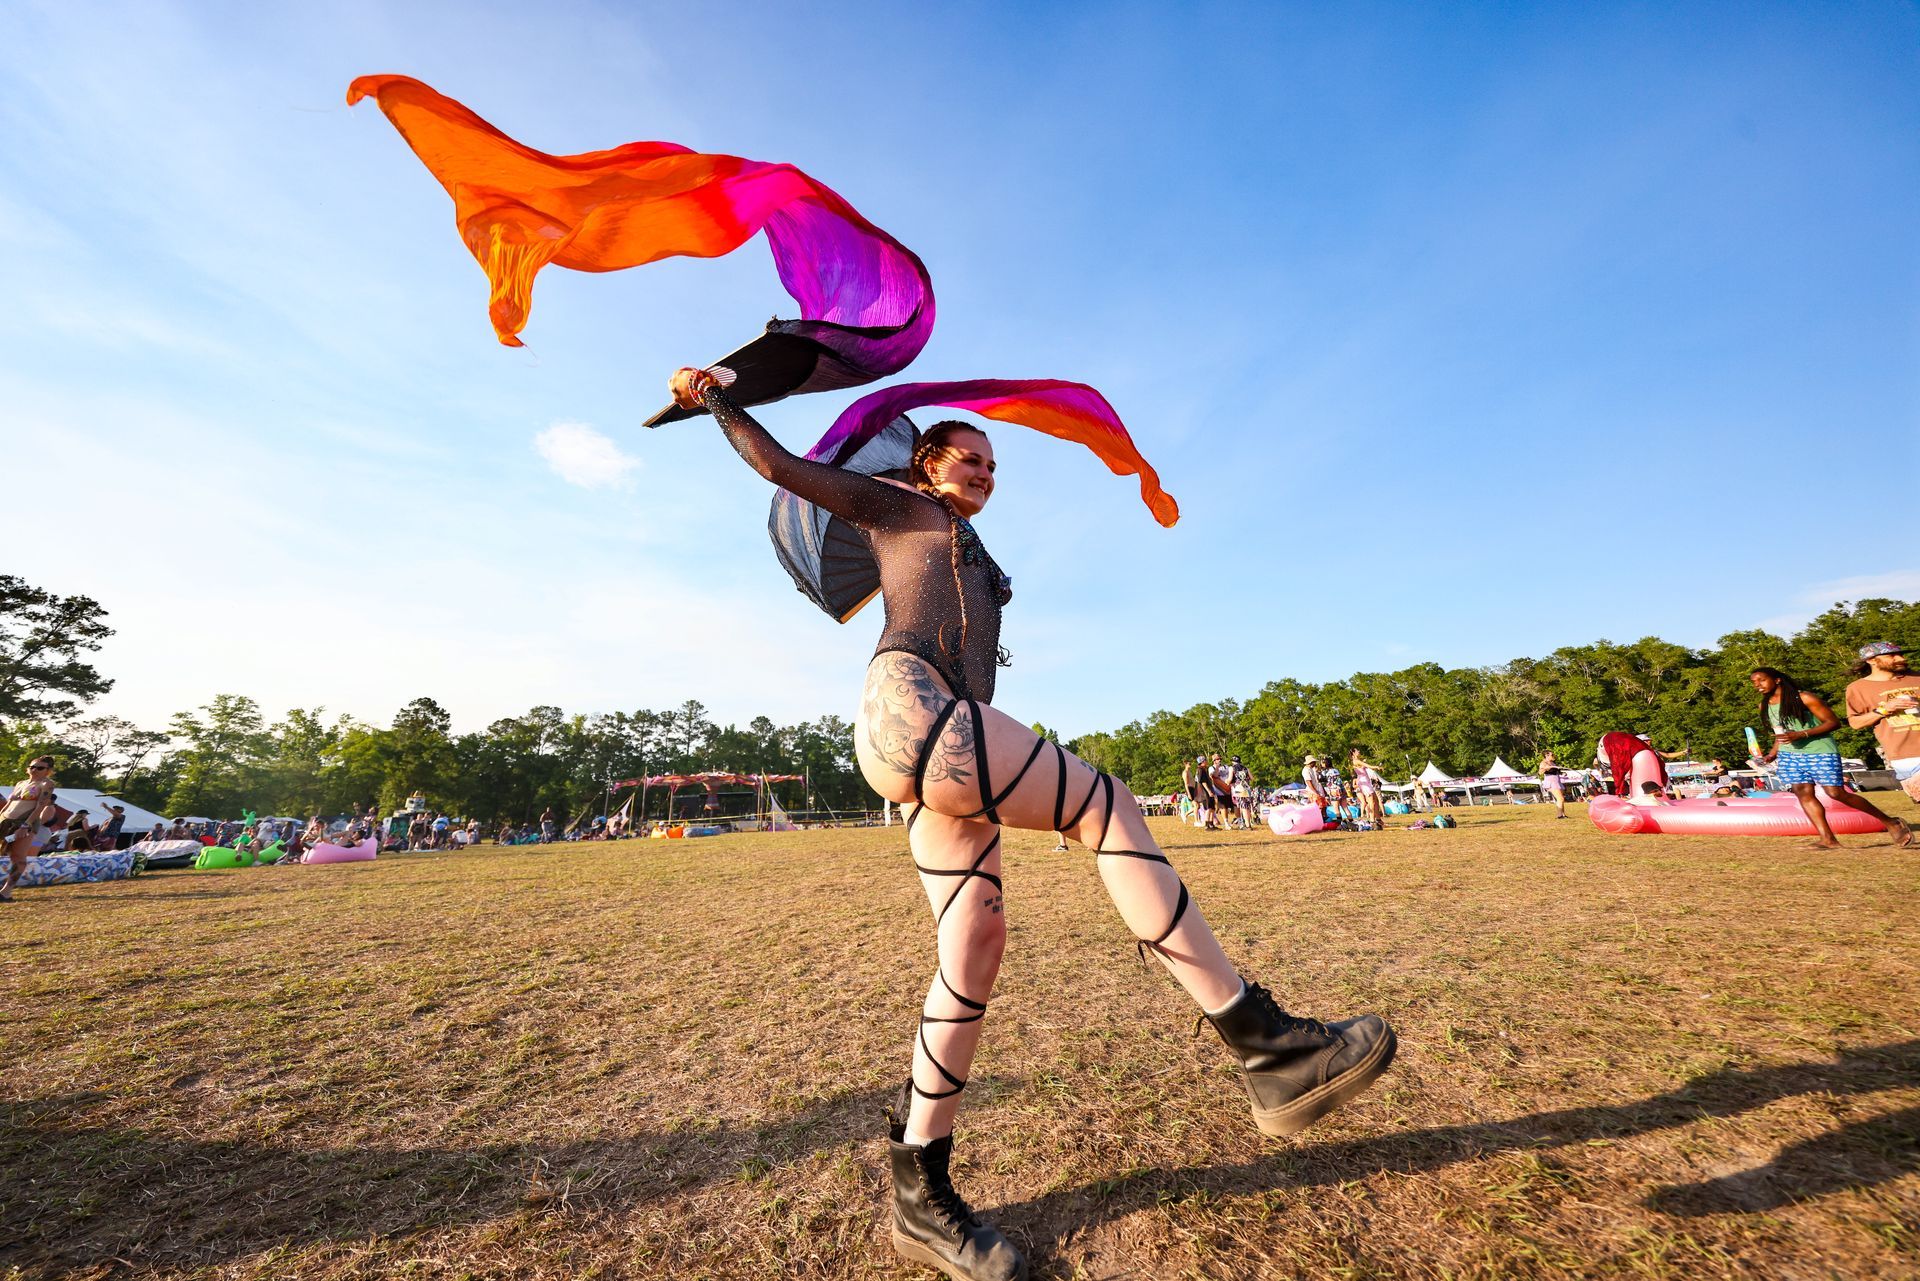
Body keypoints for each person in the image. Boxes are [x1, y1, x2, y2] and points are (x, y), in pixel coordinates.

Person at [671, 367, 1396, 1281]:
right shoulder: (896, 507)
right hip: (916, 708)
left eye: (992, 462)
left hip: (940, 743)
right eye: (966, 457)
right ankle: (1270, 1046)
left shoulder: (962, 538)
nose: (983, 469)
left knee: (973, 941)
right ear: (924, 463)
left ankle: (918, 1189)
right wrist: (716, 400)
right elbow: (778, 465)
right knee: (1107, 803)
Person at [1751, 667, 1911, 849]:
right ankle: (1828, 839)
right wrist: (1772, 754)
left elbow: (1833, 723)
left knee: (1835, 793)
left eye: (1761, 680)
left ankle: (1891, 822)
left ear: (1777, 680)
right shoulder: (1764, 705)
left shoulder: (1804, 698)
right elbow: (1780, 733)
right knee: (1803, 793)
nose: (1757, 685)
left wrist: (1802, 734)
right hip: (1790, 755)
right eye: (1754, 682)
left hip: (1820, 751)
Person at [1844, 642, 1920, 803]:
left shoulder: (1917, 677)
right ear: (1871, 660)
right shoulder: (1858, 688)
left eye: (1900, 654)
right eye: (1892, 655)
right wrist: (1885, 709)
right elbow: (1855, 723)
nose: (1901, 658)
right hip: (1905, 755)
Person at [2, 758, 61, 900]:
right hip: (5, 820)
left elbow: (39, 806)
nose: (34, 770)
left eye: (40, 768)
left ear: (48, 771)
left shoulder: (46, 784)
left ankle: (6, 891)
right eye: (32, 767)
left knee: (17, 856)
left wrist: (25, 825)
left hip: (25, 822)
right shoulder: (20, 783)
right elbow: (8, 804)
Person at [1348, 750, 1387, 829]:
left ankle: (1378, 819)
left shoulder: (1359, 760)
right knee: (1371, 801)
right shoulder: (1356, 761)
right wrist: (1377, 767)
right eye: (1357, 751)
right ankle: (1372, 821)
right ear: (1353, 754)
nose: (1359, 751)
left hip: (1367, 782)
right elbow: (1369, 766)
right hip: (1364, 783)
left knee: (1376, 800)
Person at [1537, 750, 1568, 819]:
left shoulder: (1553, 763)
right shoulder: (1543, 763)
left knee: (1560, 799)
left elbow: (1556, 771)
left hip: (1557, 781)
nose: (1553, 756)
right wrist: (1546, 768)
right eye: (1552, 755)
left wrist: (1562, 773)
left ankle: (1562, 814)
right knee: (1560, 798)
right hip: (1551, 782)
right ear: (1546, 756)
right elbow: (1540, 772)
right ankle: (1560, 815)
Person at [1228, 755, 1255, 830]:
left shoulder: (1232, 768)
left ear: (1233, 762)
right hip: (1247, 789)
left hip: (1239, 789)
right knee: (1247, 807)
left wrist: (1226, 782)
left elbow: (1230, 779)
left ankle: (1247, 825)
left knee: (1243, 807)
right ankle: (1248, 824)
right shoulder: (1246, 768)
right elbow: (1252, 778)